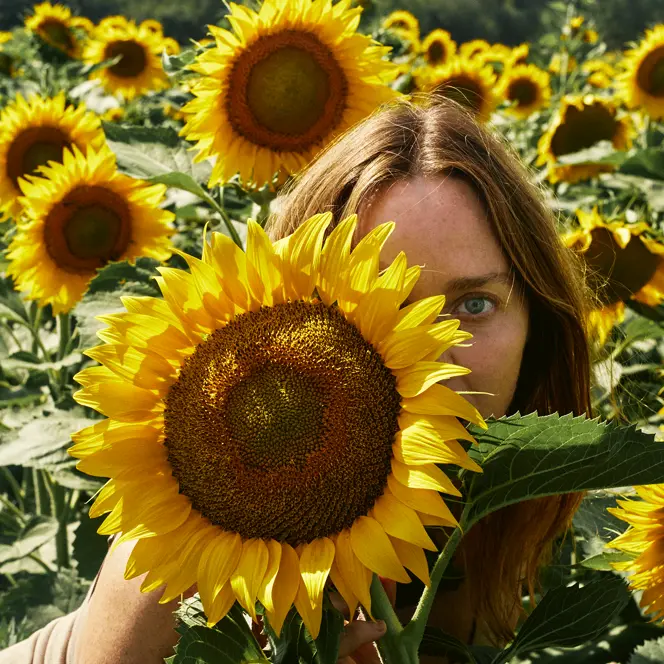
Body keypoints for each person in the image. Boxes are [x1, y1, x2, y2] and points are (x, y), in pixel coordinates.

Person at [0, 96, 591, 664]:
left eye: (474, 305)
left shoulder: (516, 506)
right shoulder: (195, 522)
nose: (427, 358)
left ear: (536, 322)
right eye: (380, 307)